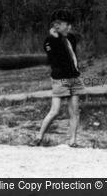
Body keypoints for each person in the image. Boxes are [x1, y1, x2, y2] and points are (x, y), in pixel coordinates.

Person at [32, 9, 84, 147]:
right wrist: (55, 37)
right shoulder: (49, 41)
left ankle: (72, 141)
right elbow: (54, 58)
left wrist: (63, 34)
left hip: (74, 78)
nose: (70, 27)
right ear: (57, 26)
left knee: (75, 111)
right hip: (60, 79)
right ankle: (39, 136)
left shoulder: (71, 38)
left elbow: (77, 36)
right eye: (67, 25)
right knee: (55, 111)